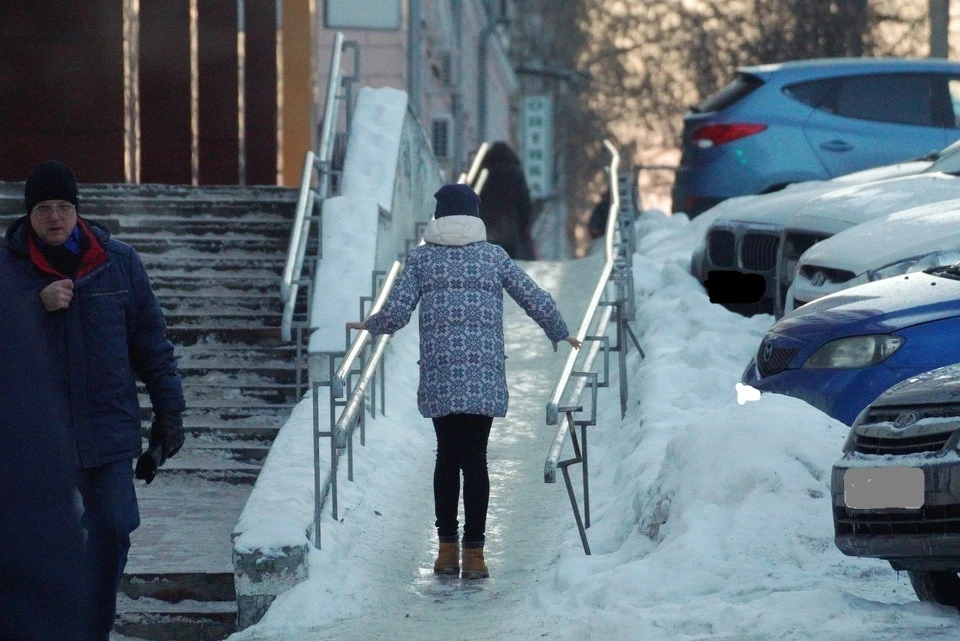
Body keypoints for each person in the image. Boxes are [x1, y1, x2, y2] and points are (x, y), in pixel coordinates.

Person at [347, 183, 581, 579]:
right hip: (483, 373)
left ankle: (445, 551)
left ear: (438, 217)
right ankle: (475, 555)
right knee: (475, 459)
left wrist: (371, 324)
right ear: (475, 215)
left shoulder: (422, 260)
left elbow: (398, 311)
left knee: (446, 456)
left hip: (440, 372)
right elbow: (533, 296)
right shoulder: (493, 257)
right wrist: (559, 330)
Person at [0, 160, 186, 640]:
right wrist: (32, 306)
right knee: (32, 545)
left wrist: (169, 416)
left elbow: (152, 344)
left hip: (105, 429)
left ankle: (91, 631)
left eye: (64, 206)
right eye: (44, 208)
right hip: (33, 438)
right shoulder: (7, 269)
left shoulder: (117, 261)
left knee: (113, 528)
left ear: (77, 210)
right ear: (29, 215)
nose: (55, 217)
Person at [477, 141, 537, 260]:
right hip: (509, 231)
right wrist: (523, 229)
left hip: (484, 231)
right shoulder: (515, 174)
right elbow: (524, 204)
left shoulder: (482, 174)